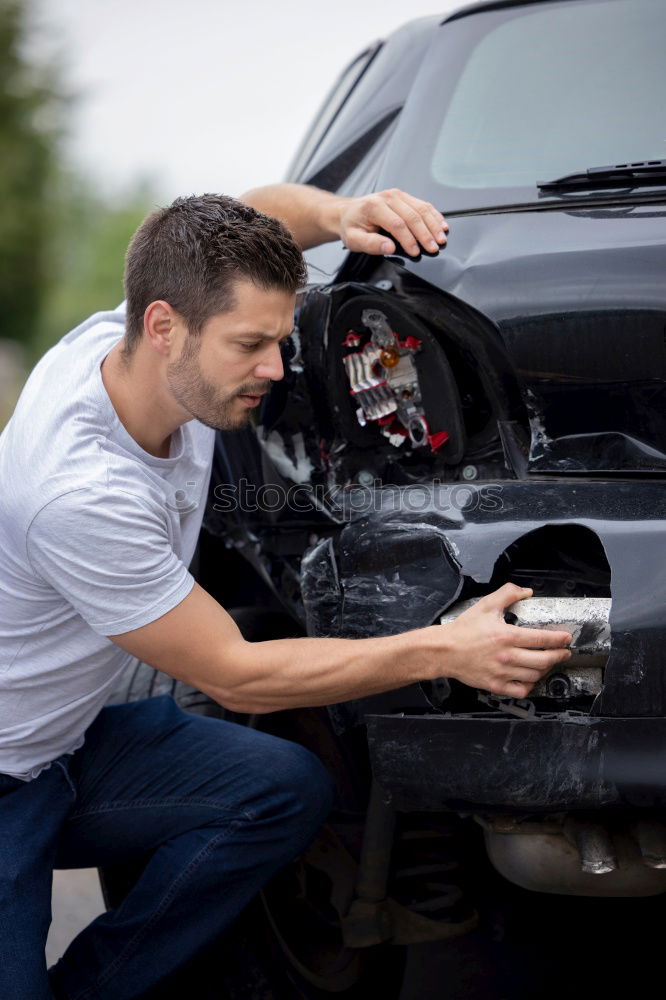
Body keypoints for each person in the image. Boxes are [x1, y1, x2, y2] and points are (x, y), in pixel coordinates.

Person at [0, 183, 572, 999]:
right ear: (164, 328)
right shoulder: (81, 492)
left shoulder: (132, 334)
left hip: (63, 748)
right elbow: (232, 673)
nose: (275, 367)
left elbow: (247, 219)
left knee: (279, 789)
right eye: (250, 346)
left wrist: (342, 217)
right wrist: (449, 647)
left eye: (278, 339)